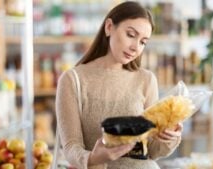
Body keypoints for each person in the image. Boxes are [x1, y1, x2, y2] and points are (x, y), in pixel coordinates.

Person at [56, 1, 183, 169]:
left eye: (143, 42)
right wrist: (94, 158)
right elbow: (71, 147)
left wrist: (169, 137)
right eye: (131, 35)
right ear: (109, 27)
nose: (135, 47)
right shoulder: (73, 80)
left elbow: (152, 151)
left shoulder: (146, 80)